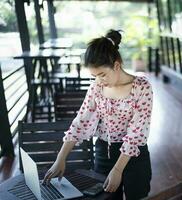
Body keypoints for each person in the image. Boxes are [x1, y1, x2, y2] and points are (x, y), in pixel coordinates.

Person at [42, 29, 153, 200]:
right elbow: (81, 122)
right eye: (94, 76)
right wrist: (61, 158)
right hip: (104, 152)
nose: (99, 81)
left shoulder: (142, 87)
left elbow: (136, 133)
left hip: (133, 157)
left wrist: (117, 170)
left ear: (116, 65)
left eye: (102, 75)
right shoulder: (96, 87)